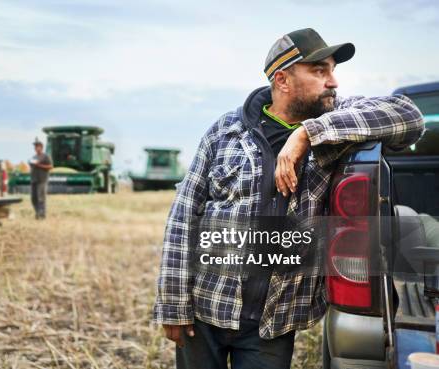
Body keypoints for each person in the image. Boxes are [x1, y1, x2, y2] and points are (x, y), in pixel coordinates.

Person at [153, 28, 425, 369]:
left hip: (273, 324)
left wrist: (308, 134)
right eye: (319, 71)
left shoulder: (335, 120)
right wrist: (173, 304)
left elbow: (408, 117)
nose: (333, 81)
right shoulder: (224, 131)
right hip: (208, 306)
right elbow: (184, 216)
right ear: (283, 80)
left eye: (332, 70)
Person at [29, 138, 53, 219]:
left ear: (41, 147)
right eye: (35, 146)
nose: (36, 148)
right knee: (33, 198)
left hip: (42, 180)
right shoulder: (34, 157)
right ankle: (37, 212)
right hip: (34, 180)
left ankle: (42, 215)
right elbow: (32, 166)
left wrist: (39, 165)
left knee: (41, 198)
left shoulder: (46, 156)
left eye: (37, 146)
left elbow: (50, 166)